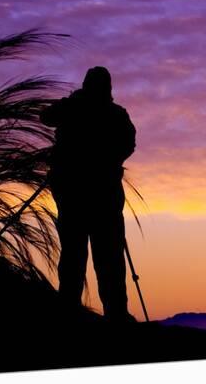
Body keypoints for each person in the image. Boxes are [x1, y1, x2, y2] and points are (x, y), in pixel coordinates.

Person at [40, 66, 137, 322]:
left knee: (78, 252)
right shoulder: (115, 114)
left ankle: (72, 310)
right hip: (99, 192)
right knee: (107, 255)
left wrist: (71, 104)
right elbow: (129, 144)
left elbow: (47, 116)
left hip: (77, 192)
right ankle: (114, 313)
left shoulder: (77, 109)